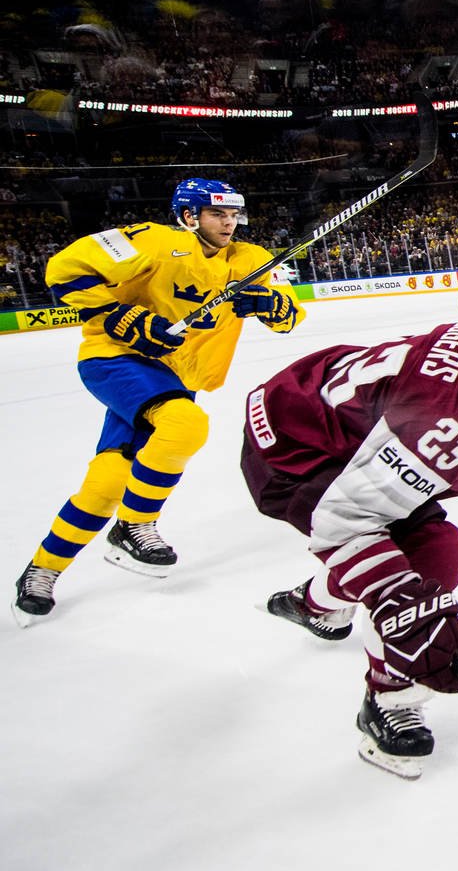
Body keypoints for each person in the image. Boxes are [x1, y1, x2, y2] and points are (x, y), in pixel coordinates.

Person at [245, 266, 458, 779]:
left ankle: (316, 606)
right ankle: (387, 701)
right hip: (295, 452)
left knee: (410, 556)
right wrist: (398, 599)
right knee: (428, 557)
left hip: (342, 424)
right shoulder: (436, 412)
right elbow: (345, 521)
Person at [13, 178, 304, 626]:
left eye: (232, 215)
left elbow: (289, 317)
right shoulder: (152, 240)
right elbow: (63, 270)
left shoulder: (251, 260)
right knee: (185, 426)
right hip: (115, 360)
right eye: (216, 214)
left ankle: (41, 572)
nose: (228, 223)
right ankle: (133, 525)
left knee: (108, 481)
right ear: (189, 216)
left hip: (172, 375)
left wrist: (266, 301)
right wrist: (122, 317)